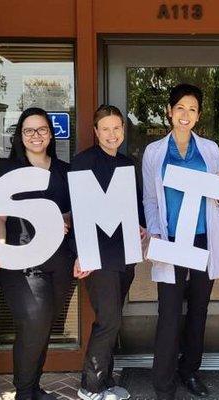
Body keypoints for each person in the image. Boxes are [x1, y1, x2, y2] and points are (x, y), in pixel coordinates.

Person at [142, 83, 219, 400]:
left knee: (198, 310)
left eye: (193, 109)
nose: (186, 115)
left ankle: (190, 371)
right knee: (169, 313)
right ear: (170, 112)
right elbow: (149, 199)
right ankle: (164, 384)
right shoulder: (154, 152)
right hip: (172, 240)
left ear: (198, 115)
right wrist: (156, 233)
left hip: (203, 238)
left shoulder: (210, 149)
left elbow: (218, 196)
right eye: (181, 108)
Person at [0, 107, 74, 400]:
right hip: (21, 261)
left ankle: (34, 386)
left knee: (46, 324)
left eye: (42, 130)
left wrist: (64, 221)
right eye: (29, 130)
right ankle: (24, 391)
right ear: (20, 136)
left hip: (59, 261)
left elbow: (71, 212)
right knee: (34, 322)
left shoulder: (64, 170)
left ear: (51, 133)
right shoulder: (7, 170)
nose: (36, 136)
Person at [72, 105, 147, 400]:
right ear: (95, 131)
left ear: (123, 131)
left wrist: (140, 226)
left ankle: (104, 380)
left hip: (124, 254)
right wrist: (80, 252)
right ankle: (90, 386)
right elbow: (78, 213)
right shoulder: (83, 163)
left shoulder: (128, 164)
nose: (112, 134)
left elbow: (134, 206)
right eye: (106, 128)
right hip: (97, 255)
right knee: (109, 321)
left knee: (110, 319)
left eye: (117, 128)